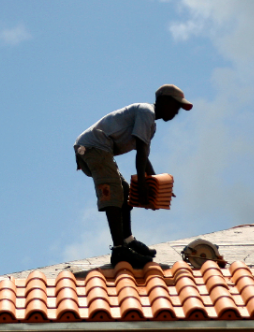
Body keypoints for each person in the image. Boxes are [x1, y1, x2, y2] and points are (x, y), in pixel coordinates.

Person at [74, 85, 192, 266]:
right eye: (176, 106)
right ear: (164, 101)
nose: (177, 112)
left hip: (99, 149)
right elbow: (141, 153)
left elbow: (144, 154)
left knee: (126, 192)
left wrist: (156, 183)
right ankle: (120, 250)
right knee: (113, 192)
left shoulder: (150, 124)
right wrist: (144, 184)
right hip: (93, 148)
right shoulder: (146, 112)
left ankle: (128, 241)